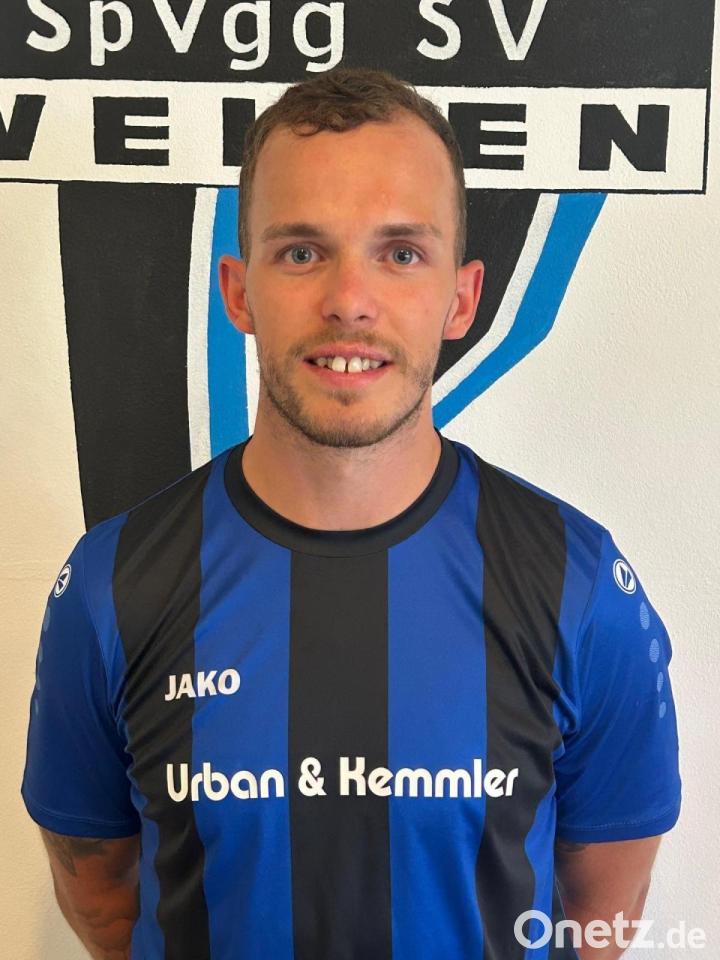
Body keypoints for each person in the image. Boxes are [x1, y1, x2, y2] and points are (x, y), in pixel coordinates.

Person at [21, 66, 681, 960]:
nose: (349, 301)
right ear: (238, 292)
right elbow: (101, 899)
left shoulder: (580, 584)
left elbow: (601, 913)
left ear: (462, 298)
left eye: (400, 253)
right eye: (302, 252)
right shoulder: (112, 584)